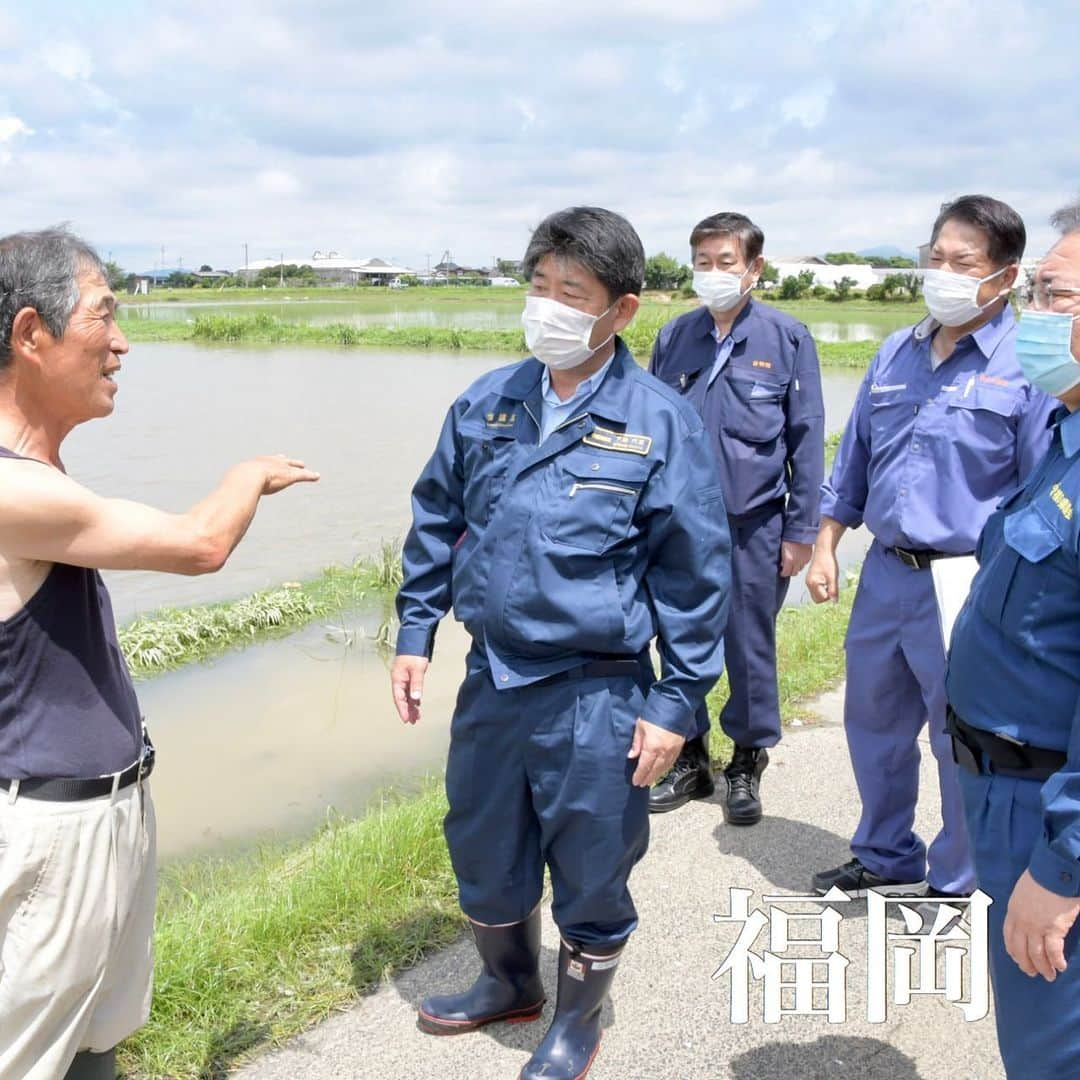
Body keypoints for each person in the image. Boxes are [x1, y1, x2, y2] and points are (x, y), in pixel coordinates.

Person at [391, 206, 731, 1079]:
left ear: (622, 310)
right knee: (481, 839)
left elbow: (696, 576)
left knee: (591, 858)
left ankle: (578, 1019)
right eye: (537, 287)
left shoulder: (660, 422)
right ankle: (507, 981)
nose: (546, 307)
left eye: (569, 293)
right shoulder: (486, 403)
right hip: (494, 679)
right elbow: (436, 520)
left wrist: (676, 704)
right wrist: (417, 629)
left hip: (599, 690)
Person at [0, 228, 318, 1080]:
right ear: (31, 335)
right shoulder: (11, 491)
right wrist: (248, 473)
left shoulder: (38, 481)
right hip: (46, 834)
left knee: (93, 1045)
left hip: (95, 817)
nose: (123, 342)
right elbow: (199, 544)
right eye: (103, 315)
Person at [806, 194, 1056, 900]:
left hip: (968, 582)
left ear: (1003, 277)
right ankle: (885, 853)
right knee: (873, 725)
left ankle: (958, 877)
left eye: (962, 262)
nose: (941, 272)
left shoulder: (1023, 367)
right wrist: (826, 545)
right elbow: (852, 461)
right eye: (935, 257)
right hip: (886, 573)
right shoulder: (896, 352)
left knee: (961, 739)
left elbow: (1039, 492)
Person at [945, 200, 1080, 1077]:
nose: (1032, 316)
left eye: (1054, 296)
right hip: (1008, 801)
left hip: (1051, 825)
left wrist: (1063, 871)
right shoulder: (1066, 438)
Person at [648, 212, 824, 824]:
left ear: (754, 268)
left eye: (726, 262)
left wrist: (801, 531)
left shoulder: (787, 338)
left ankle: (746, 760)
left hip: (754, 525)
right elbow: (651, 431)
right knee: (677, 639)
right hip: (678, 527)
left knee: (749, 646)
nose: (713, 274)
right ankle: (691, 756)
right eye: (703, 263)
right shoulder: (674, 338)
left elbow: (806, 438)